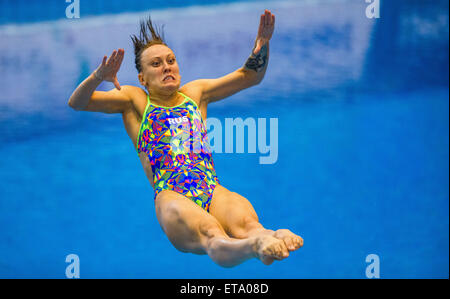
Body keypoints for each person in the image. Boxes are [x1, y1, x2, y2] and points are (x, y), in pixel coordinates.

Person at [68, 9, 303, 268]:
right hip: (172, 198)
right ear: (142, 78)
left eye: (170, 60)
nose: (166, 67)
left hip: (210, 189)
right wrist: (97, 77)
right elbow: (78, 102)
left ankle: (267, 237)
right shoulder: (135, 101)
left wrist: (262, 46)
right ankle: (255, 246)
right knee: (212, 235)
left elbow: (250, 76)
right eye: (156, 64)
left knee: (249, 224)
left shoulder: (195, 93)